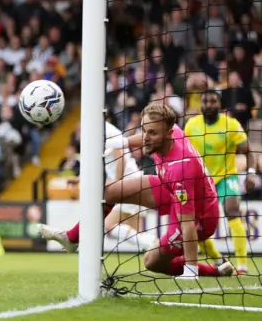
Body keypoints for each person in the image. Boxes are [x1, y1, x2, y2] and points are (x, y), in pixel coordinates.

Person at [39, 103, 234, 279]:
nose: (146, 138)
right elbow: (146, 136)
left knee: (152, 262)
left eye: (152, 133)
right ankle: (71, 238)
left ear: (167, 134)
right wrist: (120, 143)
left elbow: (188, 224)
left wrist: (191, 271)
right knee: (109, 192)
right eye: (144, 131)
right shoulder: (169, 129)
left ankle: (210, 271)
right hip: (170, 188)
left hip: (200, 216)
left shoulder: (181, 166)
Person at [184, 90, 256, 274]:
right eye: (205, 101)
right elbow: (183, 152)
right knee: (195, 223)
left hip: (226, 177)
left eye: (213, 101)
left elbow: (248, 152)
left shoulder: (230, 124)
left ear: (220, 105)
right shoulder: (191, 125)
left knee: (232, 211)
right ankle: (218, 260)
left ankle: (242, 266)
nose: (209, 104)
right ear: (200, 104)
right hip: (201, 181)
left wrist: (251, 173)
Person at [65, 121, 158, 252]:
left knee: (107, 225)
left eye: (79, 131)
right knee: (137, 236)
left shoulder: (105, 131)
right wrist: (79, 178)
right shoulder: (100, 132)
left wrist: (117, 183)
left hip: (128, 184)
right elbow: (99, 163)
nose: (79, 136)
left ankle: (153, 243)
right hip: (134, 180)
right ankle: (156, 245)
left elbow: (120, 157)